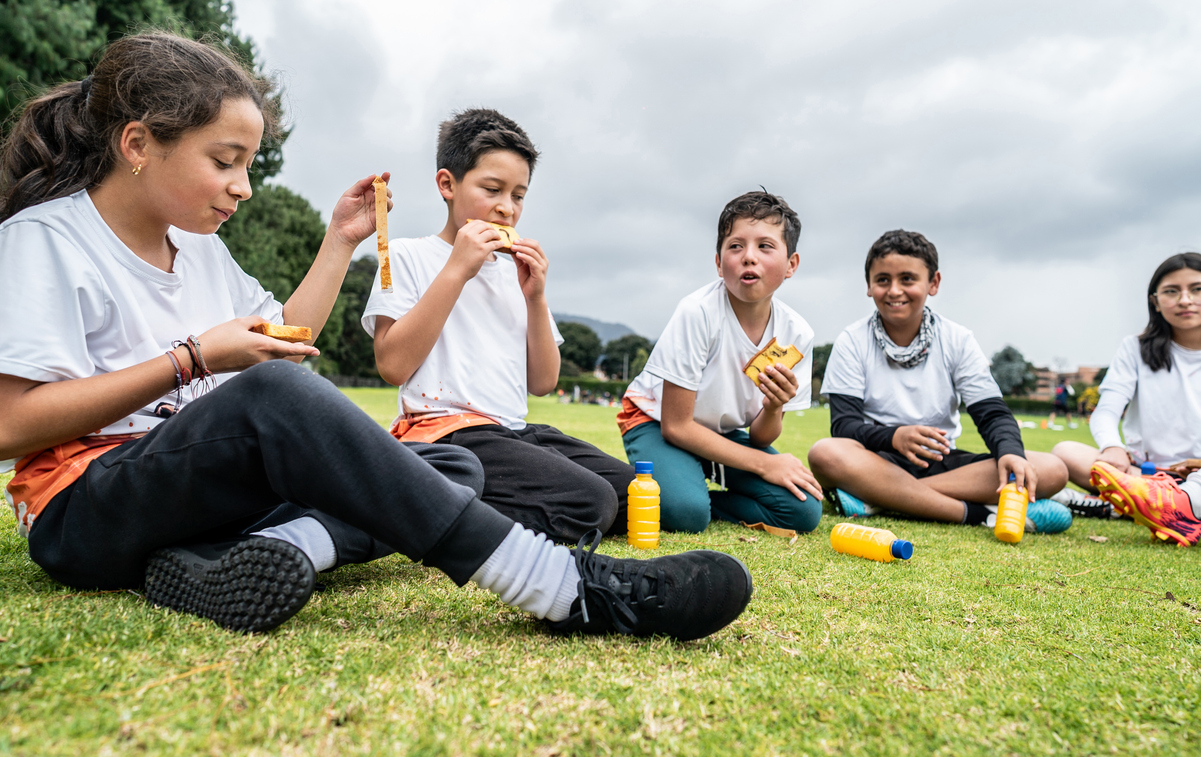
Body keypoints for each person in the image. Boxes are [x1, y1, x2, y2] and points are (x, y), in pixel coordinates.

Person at [0, 32, 752, 640]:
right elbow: (10, 426)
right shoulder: (48, 241)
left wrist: (339, 240)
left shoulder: (196, 246)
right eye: (225, 162)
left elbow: (281, 334)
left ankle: (261, 555)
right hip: (82, 509)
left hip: (191, 500)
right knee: (278, 395)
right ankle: (561, 586)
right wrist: (192, 359)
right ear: (138, 143)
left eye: (249, 164)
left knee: (447, 462)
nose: (244, 185)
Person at [363, 109, 635, 546]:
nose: (507, 208)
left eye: (519, 195)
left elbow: (543, 382)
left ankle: (453, 496)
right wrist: (456, 271)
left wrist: (536, 297)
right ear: (447, 185)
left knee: (631, 496)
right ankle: (432, 490)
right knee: (590, 504)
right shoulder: (406, 255)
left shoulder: (515, 273)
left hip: (512, 430)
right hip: (444, 431)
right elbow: (392, 365)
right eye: (492, 190)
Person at [807, 230, 1072, 532]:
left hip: (942, 461)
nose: (894, 290)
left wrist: (1010, 452)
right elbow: (844, 427)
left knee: (1052, 469)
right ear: (869, 285)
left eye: (907, 279)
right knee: (825, 453)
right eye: (883, 280)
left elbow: (992, 413)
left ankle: (881, 499)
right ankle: (976, 514)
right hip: (874, 460)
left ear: (933, 283)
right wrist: (895, 437)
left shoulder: (957, 339)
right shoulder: (852, 340)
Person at [616, 191, 822, 534]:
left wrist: (773, 407)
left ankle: (700, 494)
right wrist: (764, 466)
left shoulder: (796, 333)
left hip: (721, 433)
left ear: (791, 265)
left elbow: (759, 437)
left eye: (765, 246)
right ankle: (673, 491)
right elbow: (677, 426)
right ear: (718, 261)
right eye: (736, 246)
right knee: (686, 514)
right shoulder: (697, 312)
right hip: (655, 421)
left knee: (803, 510)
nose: (748, 257)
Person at [1053, 253, 1201, 543]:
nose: (1184, 300)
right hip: (1144, 474)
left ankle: (1130, 507)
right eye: (1171, 291)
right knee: (1066, 451)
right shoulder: (1134, 348)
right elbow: (1107, 411)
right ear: (1155, 302)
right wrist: (1112, 447)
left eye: (1197, 289)